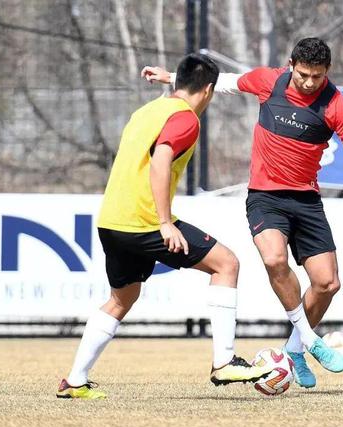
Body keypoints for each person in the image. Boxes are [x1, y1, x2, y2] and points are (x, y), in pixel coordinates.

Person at [143, 38, 343, 389]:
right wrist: (172, 77)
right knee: (274, 259)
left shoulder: (334, 103)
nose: (309, 82)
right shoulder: (270, 81)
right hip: (265, 196)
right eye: (304, 74)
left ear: (327, 71)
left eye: (317, 76)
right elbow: (225, 83)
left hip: (307, 201)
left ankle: (294, 348)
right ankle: (310, 339)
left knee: (328, 283)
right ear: (291, 65)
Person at [57, 53, 272, 400]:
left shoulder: (148, 111)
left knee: (121, 299)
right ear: (208, 90)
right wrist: (165, 223)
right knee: (226, 264)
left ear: (178, 81)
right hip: (144, 222)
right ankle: (224, 362)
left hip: (112, 220)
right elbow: (160, 162)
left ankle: (75, 381)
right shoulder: (186, 118)